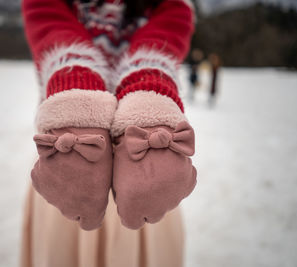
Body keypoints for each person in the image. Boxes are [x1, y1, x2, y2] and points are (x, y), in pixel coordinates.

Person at [21, 1, 197, 266]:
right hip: (66, 174)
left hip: (150, 178)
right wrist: (75, 109)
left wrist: (149, 99)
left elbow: (172, 19)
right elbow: (49, 20)